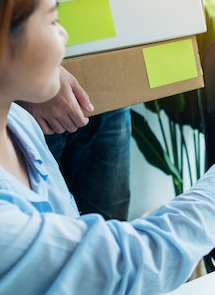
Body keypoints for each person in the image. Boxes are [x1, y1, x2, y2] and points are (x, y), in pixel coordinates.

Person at [0, 0, 215, 293]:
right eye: (53, 20)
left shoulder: (16, 124)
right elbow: (135, 261)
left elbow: (86, 246)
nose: (66, 36)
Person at [20, 69, 132, 221]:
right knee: (47, 223)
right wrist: (38, 73)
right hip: (33, 100)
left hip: (108, 90)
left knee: (109, 221)